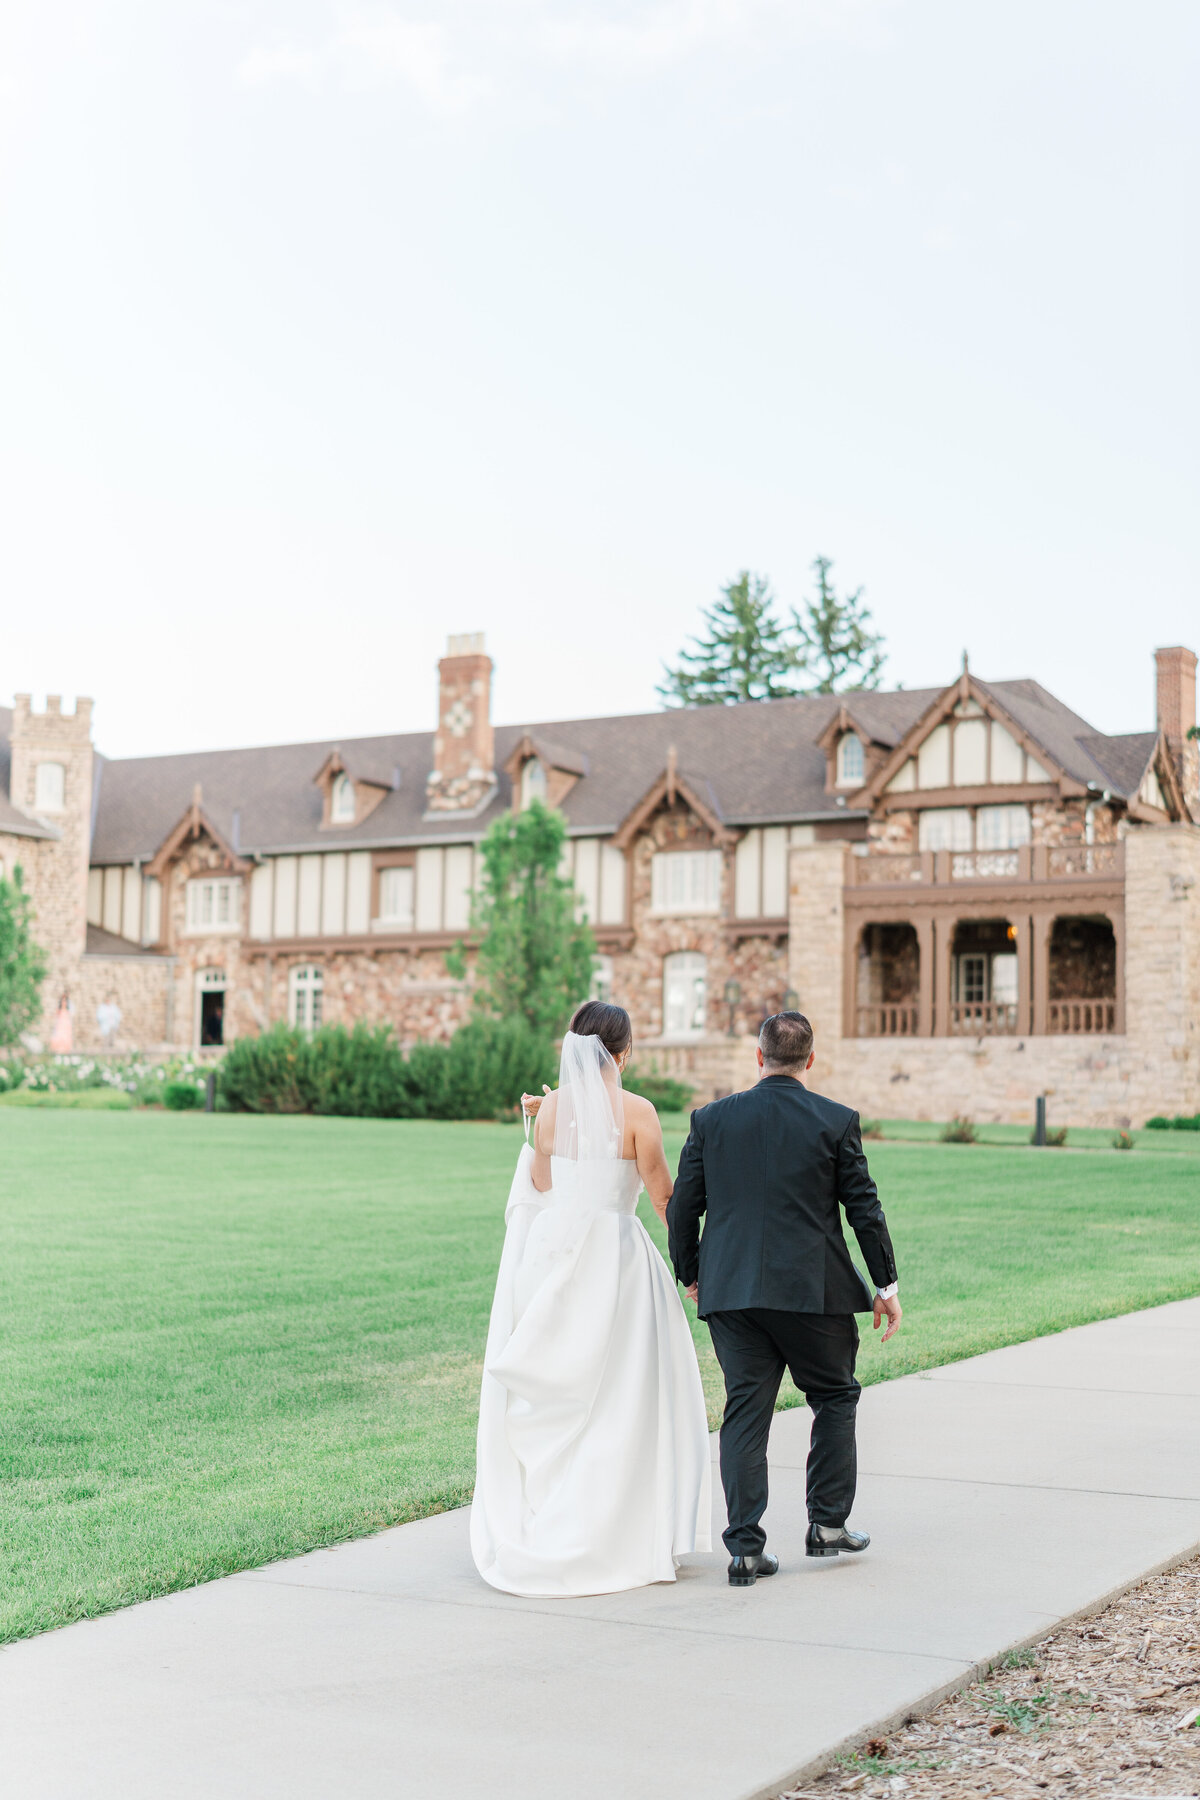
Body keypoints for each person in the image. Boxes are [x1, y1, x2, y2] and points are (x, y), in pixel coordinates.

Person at [470, 1000, 711, 1596]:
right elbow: (663, 1199)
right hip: (617, 1259)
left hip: (553, 1257)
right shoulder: (638, 1112)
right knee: (621, 1396)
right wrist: (694, 1265)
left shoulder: (548, 1111)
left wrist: (554, 1114)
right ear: (624, 1053)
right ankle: (619, 1530)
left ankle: (551, 1518)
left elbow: (546, 1186)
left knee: (564, 1395)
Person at [667, 1011, 900, 1587]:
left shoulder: (711, 1120)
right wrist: (885, 1286)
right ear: (811, 1061)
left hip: (733, 1292)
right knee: (835, 1395)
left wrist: (692, 1274)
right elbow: (863, 1209)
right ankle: (826, 1526)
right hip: (812, 1291)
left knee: (746, 1411)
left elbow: (682, 1209)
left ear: (759, 1055)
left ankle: (745, 1551)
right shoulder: (836, 1120)